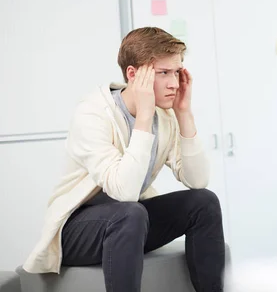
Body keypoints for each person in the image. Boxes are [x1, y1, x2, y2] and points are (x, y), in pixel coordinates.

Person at [23, 27, 225, 292]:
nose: (174, 83)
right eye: (163, 73)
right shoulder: (93, 114)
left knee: (204, 202)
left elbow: (197, 180)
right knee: (130, 213)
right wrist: (143, 117)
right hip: (76, 231)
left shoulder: (165, 117)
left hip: (130, 224)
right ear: (133, 74)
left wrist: (184, 114)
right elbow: (125, 191)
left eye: (176, 72)